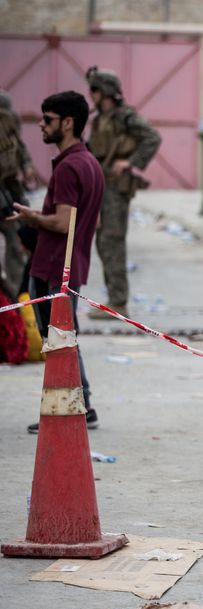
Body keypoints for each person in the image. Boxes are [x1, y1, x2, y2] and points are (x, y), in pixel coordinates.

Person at [10, 91, 104, 432]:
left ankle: (66, 410)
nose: (41, 125)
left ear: (68, 123)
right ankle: (83, 405)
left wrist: (33, 219)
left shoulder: (69, 166)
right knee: (65, 338)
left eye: (47, 119)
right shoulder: (90, 163)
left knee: (59, 342)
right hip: (70, 266)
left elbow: (64, 223)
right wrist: (37, 214)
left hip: (53, 268)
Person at [85, 67, 161, 319]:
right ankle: (113, 299)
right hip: (101, 185)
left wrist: (130, 163)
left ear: (105, 91)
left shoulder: (125, 117)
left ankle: (118, 302)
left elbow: (152, 137)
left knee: (112, 242)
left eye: (95, 89)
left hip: (116, 189)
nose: (91, 94)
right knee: (102, 242)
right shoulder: (100, 119)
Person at [0, 90, 37, 297]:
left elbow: (20, 149)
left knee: (16, 242)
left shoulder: (10, 132)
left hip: (10, 192)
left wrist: (27, 166)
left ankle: (15, 293)